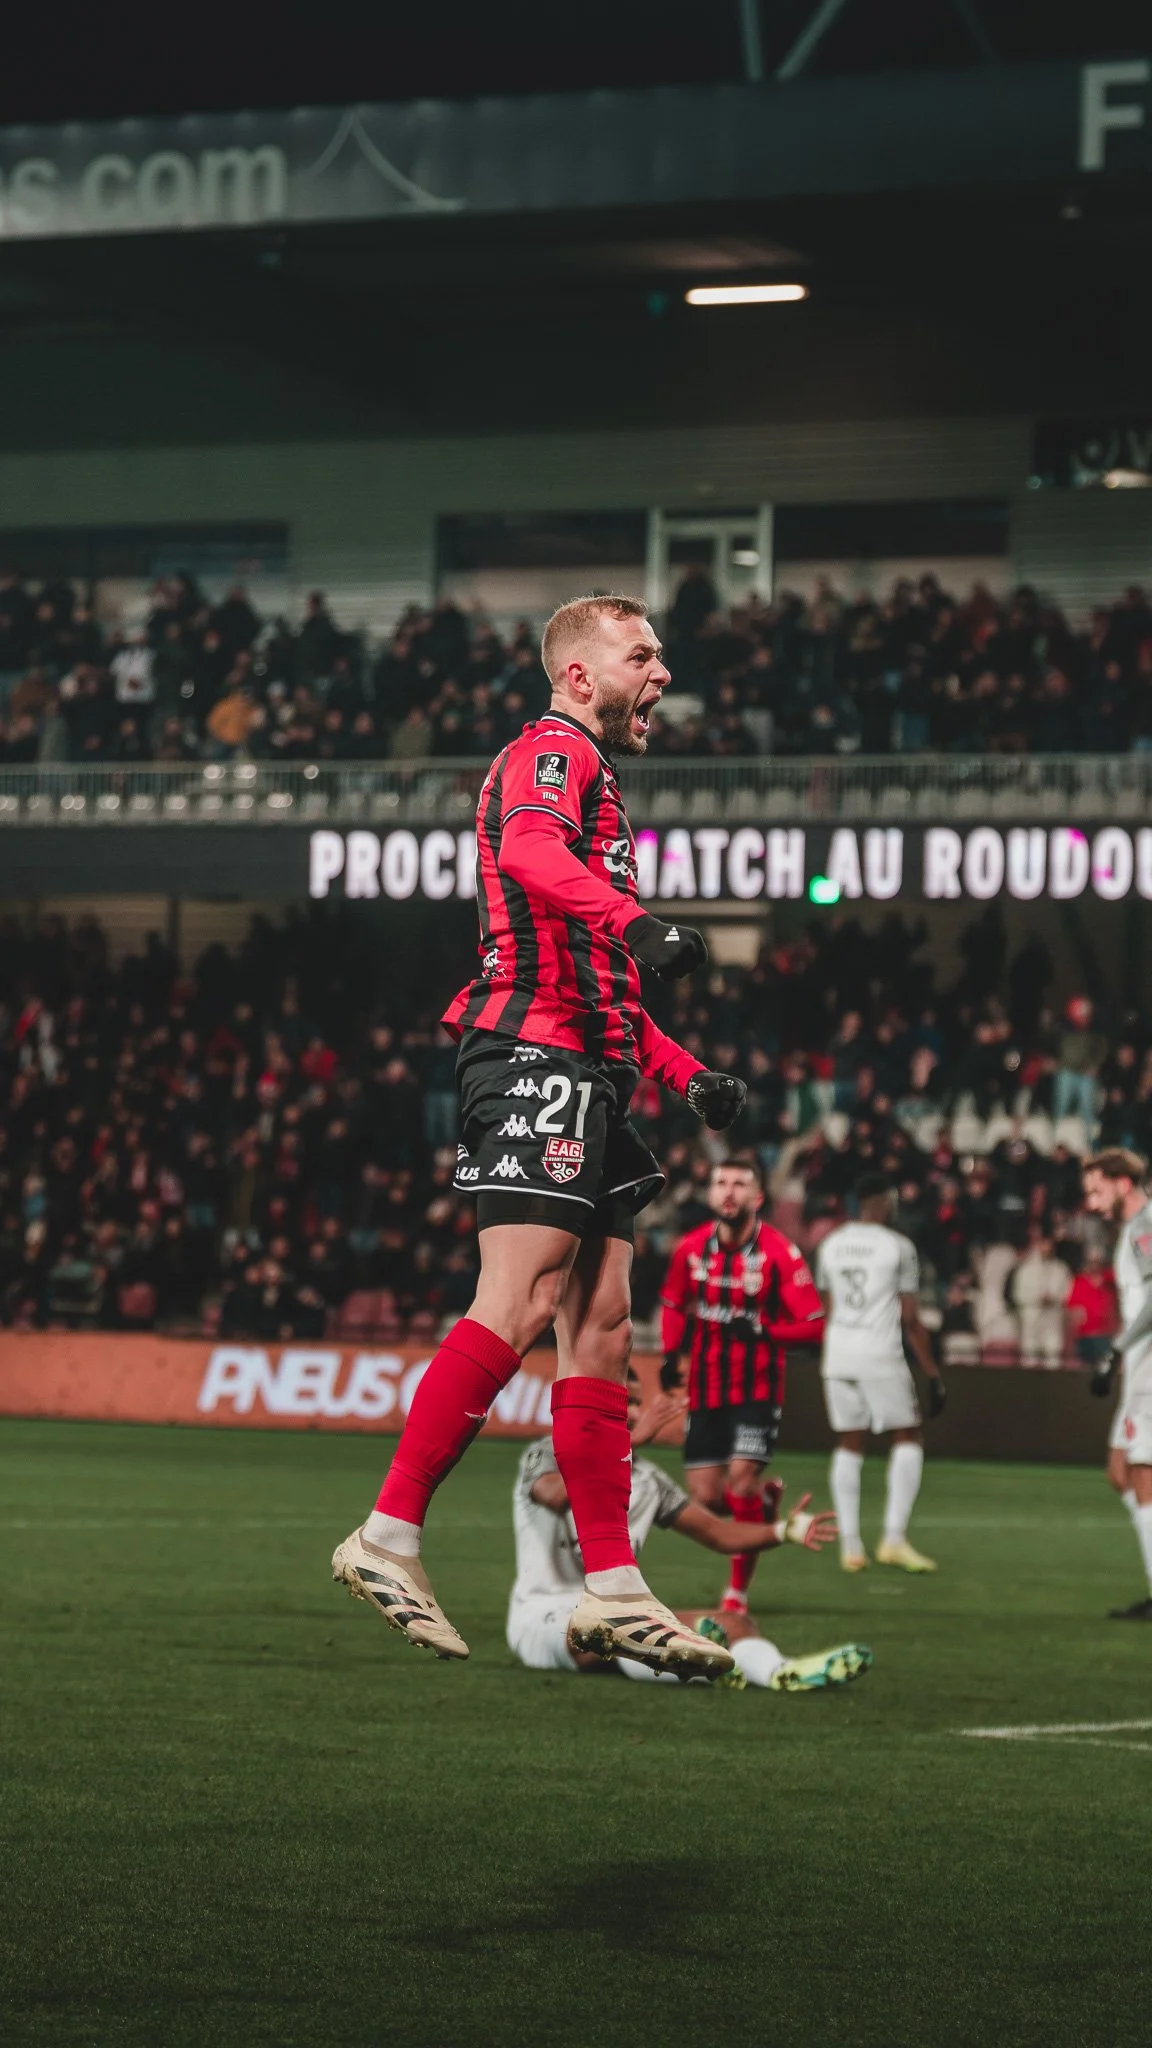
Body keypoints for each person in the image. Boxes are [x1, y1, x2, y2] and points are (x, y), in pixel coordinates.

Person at [332, 593, 748, 1677]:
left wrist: (687, 1073)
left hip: (590, 1064)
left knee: (602, 1322)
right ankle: (387, 1534)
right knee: (518, 1298)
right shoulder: (552, 751)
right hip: (532, 1056)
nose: (662, 673)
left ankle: (611, 1583)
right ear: (577, 674)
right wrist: (637, 920)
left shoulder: (596, 779)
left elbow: (608, 984)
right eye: (642, 654)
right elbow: (525, 854)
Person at [508, 1374, 872, 1692]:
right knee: (613, 1630)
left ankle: (780, 1672)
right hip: (542, 1617)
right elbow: (554, 1495)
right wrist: (621, 1446)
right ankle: (698, 1663)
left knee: (734, 1623)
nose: (635, 1413)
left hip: (621, 1612)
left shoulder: (648, 1479)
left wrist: (781, 1530)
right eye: (624, 1402)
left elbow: (719, 1534)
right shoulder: (546, 1453)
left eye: (637, 1402)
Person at [659, 1151, 824, 1615]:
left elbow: (814, 1325)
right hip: (707, 1386)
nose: (728, 1192)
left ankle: (736, 1594)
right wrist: (672, 1352)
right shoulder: (691, 1248)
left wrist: (764, 1331)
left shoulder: (778, 1253)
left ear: (758, 1196)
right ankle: (765, 1501)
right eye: (720, 1183)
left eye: (738, 1184)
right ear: (711, 1193)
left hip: (757, 1388)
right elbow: (673, 1302)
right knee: (706, 1498)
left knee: (739, 1482)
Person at [816, 1173, 946, 1574]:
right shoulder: (898, 1247)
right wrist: (932, 1372)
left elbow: (826, 1305)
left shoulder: (831, 1244)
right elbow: (910, 1318)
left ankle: (851, 1547)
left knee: (849, 1442)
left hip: (838, 1353)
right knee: (908, 1434)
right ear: (884, 1201)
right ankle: (893, 1538)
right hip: (880, 1354)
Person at [1081, 1148, 1152, 1621]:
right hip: (1140, 1363)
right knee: (1119, 1472)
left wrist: (1116, 1348)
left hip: (1149, 1365)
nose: (1090, 1202)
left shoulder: (1144, 1226)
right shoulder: (1132, 1228)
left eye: (1096, 1189)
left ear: (1123, 1183)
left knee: (1144, 1476)